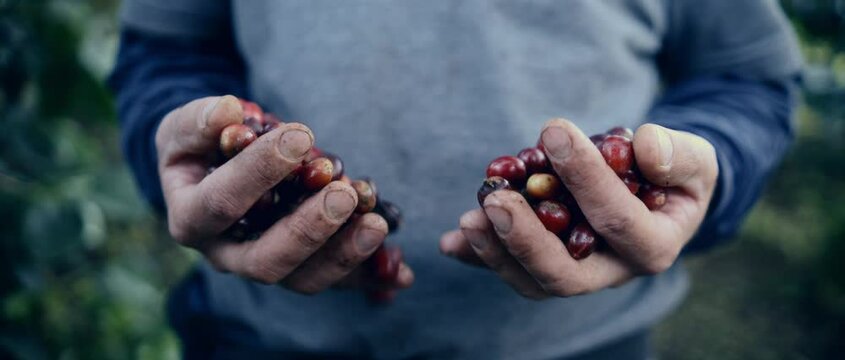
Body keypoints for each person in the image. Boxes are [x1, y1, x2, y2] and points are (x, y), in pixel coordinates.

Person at [109, 1, 801, 358]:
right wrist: (177, 145)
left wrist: (700, 172)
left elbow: (746, 76)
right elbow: (167, 52)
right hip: (260, 340)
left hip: (579, 348)